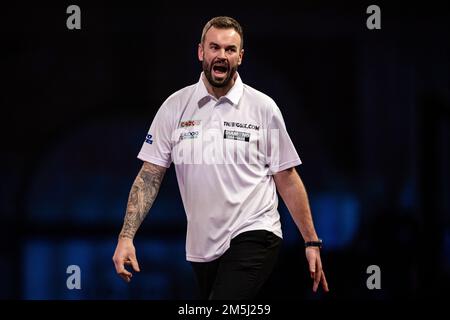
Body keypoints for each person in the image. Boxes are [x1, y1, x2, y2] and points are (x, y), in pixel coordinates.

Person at [112, 16, 329, 299]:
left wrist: (311, 240)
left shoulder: (263, 108)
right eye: (215, 47)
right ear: (201, 52)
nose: (222, 56)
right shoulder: (175, 107)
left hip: (255, 231)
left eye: (230, 50)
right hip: (202, 248)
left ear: (240, 57)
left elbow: (286, 177)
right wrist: (126, 237)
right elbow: (150, 174)